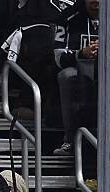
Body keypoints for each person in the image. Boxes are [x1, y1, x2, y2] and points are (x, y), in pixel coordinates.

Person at [53, 0, 99, 155]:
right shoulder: (66, 18)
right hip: (79, 71)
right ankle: (70, 140)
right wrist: (81, 53)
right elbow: (58, 58)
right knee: (67, 75)